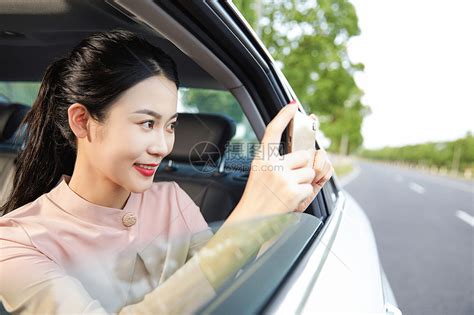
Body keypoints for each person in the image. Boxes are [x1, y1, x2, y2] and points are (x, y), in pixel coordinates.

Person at [0, 29, 334, 314]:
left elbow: (228, 287)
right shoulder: (15, 242)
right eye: (147, 123)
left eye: (170, 125)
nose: (163, 146)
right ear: (82, 121)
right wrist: (248, 215)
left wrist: (277, 218)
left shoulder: (173, 200)